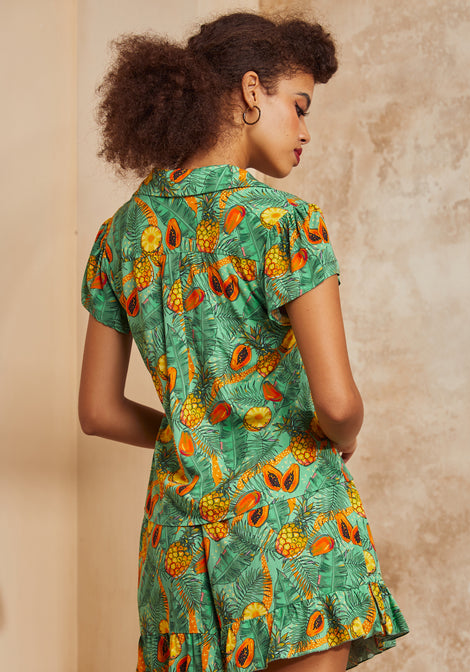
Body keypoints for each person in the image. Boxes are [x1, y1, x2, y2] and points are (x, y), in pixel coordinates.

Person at [79, 11, 408, 672]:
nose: (306, 131)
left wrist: (200, 432)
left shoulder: (120, 235)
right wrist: (341, 435)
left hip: (179, 547)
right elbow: (338, 403)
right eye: (300, 106)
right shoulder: (285, 224)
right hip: (294, 531)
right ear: (252, 90)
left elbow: (98, 411)